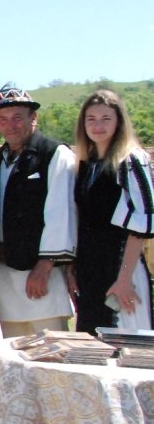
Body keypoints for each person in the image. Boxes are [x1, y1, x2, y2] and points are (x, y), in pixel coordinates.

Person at [0, 86, 76, 337]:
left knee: (49, 353)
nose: (10, 125)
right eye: (3, 119)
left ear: (33, 118)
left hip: (41, 273)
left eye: (17, 117)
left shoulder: (54, 154)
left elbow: (61, 213)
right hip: (5, 271)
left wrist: (45, 266)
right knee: (13, 357)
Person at [70, 89, 154, 334]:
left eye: (106, 118)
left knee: (125, 346)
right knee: (91, 346)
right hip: (91, 268)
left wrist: (125, 278)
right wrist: (73, 269)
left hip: (120, 268)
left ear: (119, 121)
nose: (98, 125)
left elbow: (143, 222)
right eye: (91, 119)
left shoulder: (131, 160)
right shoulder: (87, 164)